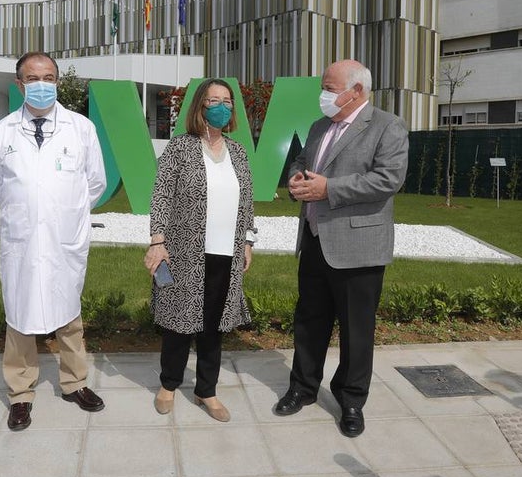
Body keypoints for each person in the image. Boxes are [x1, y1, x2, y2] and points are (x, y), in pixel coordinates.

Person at [273, 59, 408, 438]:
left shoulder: (387, 126)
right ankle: (302, 388)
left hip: (359, 245)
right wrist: (298, 178)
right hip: (315, 239)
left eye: (330, 88)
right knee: (309, 321)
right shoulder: (320, 127)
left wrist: (328, 189)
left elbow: (388, 179)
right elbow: (301, 161)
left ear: (357, 92)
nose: (324, 95)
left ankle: (351, 399)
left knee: (356, 329)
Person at [0, 51, 107, 431]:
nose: (42, 85)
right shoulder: (2, 132)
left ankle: (74, 383)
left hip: (63, 240)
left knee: (69, 314)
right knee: (20, 318)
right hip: (21, 242)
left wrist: (61, 211)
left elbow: (95, 184)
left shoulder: (80, 128)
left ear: (58, 82)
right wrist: (33, 209)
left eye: (50, 77)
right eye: (33, 78)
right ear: (19, 84)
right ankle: (21, 394)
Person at [145, 78, 256, 422]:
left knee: (214, 326)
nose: (221, 106)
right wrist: (157, 241)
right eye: (213, 100)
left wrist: (248, 241)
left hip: (227, 253)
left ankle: (206, 390)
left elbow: (247, 201)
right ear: (200, 106)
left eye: (227, 100)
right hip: (185, 251)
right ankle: (168, 384)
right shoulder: (180, 148)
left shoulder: (237, 151)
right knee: (179, 324)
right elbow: (161, 194)